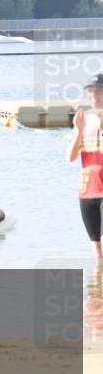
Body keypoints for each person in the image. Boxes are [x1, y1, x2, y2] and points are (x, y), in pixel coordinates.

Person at [67, 74, 103, 261]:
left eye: (98, 91)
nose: (94, 96)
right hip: (87, 191)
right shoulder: (83, 119)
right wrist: (79, 131)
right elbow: (71, 157)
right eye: (91, 92)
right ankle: (97, 288)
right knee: (96, 246)